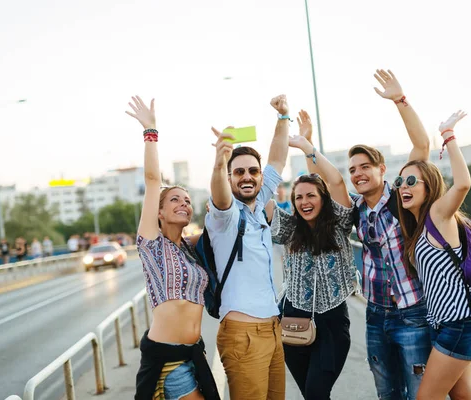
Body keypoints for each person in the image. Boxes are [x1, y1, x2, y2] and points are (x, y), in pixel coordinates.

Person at [127, 96, 219, 400]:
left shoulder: (190, 249)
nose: (184, 203)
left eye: (188, 200)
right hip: (167, 360)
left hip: (194, 355)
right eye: (175, 199)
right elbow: (153, 181)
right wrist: (150, 132)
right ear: (159, 212)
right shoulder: (152, 245)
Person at [348, 69, 432, 399]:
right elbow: (332, 184)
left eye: (365, 166)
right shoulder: (356, 207)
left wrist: (400, 100)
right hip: (374, 314)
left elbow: (422, 145)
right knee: (387, 394)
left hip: (411, 312)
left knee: (418, 393)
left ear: (382, 169)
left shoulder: (401, 195)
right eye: (353, 168)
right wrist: (309, 148)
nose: (358, 173)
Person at [396, 111, 471, 400]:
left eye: (411, 181)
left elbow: (462, 184)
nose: (403, 187)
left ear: (429, 186)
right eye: (399, 183)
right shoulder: (419, 227)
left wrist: (448, 135)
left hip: (460, 324)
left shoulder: (437, 215)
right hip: (446, 324)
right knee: (462, 398)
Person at [265, 110, 356, 399]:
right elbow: (262, 197)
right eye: (299, 197)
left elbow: (338, 183)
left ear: (323, 199)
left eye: (311, 195)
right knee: (311, 394)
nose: (304, 201)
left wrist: (308, 147)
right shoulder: (289, 228)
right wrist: (280, 124)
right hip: (293, 319)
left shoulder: (339, 223)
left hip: (331, 322)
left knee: (317, 392)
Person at [206, 95, 290, 399]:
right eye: (238, 172)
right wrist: (219, 161)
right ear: (229, 177)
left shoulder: (258, 205)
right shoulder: (225, 217)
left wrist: (283, 118)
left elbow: (277, 159)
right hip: (243, 335)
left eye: (252, 171)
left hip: (272, 330)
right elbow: (218, 192)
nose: (247, 177)